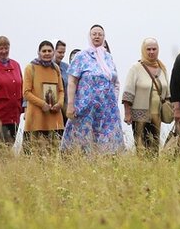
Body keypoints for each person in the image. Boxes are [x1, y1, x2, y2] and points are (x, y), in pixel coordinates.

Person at [63, 25, 125, 154]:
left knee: (107, 139)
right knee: (82, 139)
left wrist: (114, 99)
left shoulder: (108, 57)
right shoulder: (81, 56)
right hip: (86, 107)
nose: (97, 36)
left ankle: (106, 162)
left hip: (107, 109)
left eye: (100, 34)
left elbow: (114, 81)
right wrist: (70, 104)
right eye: (94, 34)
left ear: (104, 37)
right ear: (89, 36)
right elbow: (72, 81)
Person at [122, 38, 170, 154]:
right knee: (141, 148)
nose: (151, 52)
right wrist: (127, 113)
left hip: (157, 116)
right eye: (148, 49)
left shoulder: (162, 68)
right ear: (143, 50)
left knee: (154, 148)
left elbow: (167, 92)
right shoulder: (136, 68)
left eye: (154, 49)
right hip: (140, 116)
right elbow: (128, 92)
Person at [22, 40, 65, 152]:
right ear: (39, 52)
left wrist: (59, 104)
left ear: (53, 52)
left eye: (49, 51)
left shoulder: (56, 69)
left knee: (53, 154)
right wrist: (42, 104)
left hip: (54, 118)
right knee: (33, 154)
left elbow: (61, 90)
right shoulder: (30, 68)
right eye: (44, 51)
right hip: (36, 119)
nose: (47, 53)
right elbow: (26, 92)